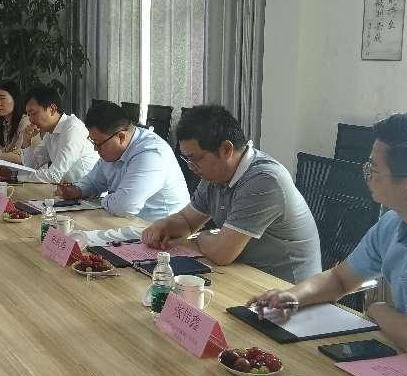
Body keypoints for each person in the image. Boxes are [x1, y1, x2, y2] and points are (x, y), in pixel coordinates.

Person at [250, 112, 407, 359]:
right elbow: (340, 279)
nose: (366, 176)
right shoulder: (394, 221)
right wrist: (292, 297)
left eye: (373, 170)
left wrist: (376, 308)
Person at [142, 105, 322, 283]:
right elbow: (187, 221)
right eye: (187, 159)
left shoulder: (264, 180)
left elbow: (221, 253)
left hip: (286, 288)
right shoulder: (215, 175)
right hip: (244, 273)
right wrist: (164, 225)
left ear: (226, 150)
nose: (190, 166)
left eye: (195, 158)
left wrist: (201, 237)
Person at [57, 101, 189, 222]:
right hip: (129, 222)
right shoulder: (112, 150)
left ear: (121, 137)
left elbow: (125, 206)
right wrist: (77, 190)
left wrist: (102, 200)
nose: (95, 148)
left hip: (164, 229)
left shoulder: (151, 154)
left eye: (98, 143)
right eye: (93, 142)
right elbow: (94, 182)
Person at [17, 85, 99, 184]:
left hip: (90, 191)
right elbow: (32, 166)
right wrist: (26, 141)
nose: (30, 119)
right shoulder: (50, 133)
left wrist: (21, 177)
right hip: (71, 188)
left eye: (33, 113)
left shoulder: (72, 127)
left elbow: (56, 175)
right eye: (28, 115)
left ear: (52, 109)